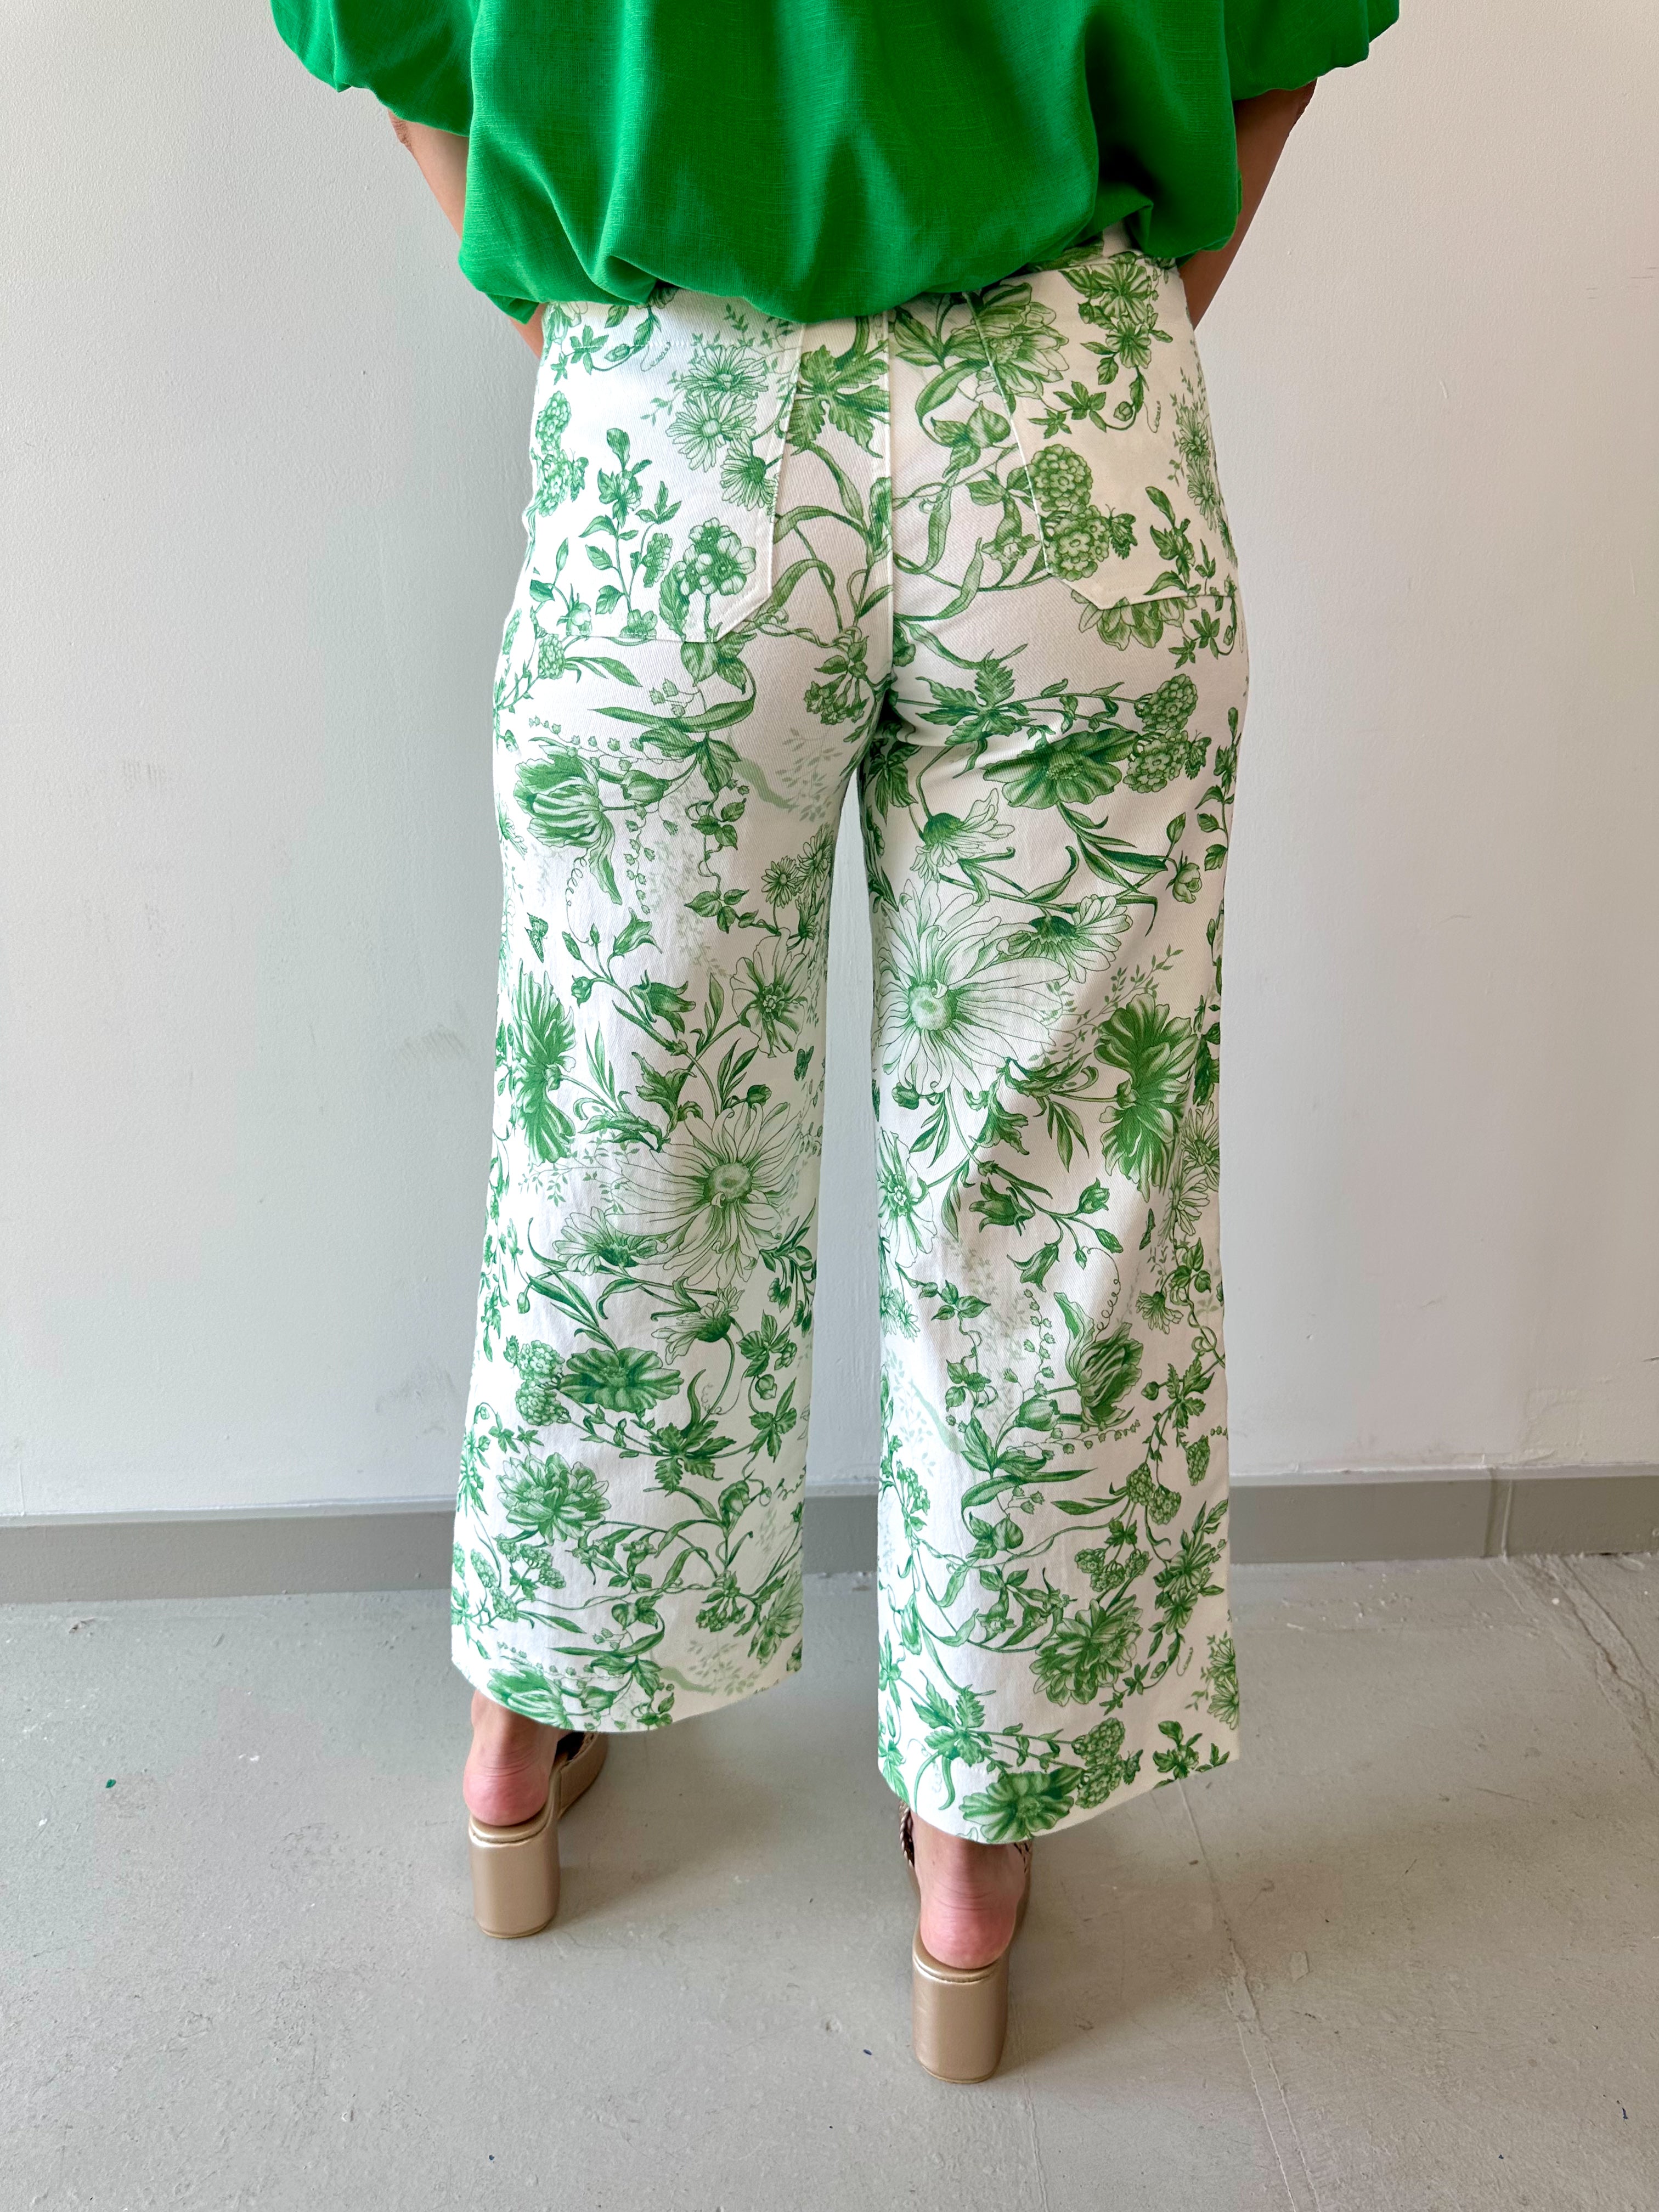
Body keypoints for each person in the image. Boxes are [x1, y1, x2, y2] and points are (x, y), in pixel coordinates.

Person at [273, 0, 1396, 2080]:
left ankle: (525, 1729)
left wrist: (571, 309)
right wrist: (1115, 330)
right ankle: (976, 1832)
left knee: (623, 1119)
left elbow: (374, 22)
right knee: (1057, 1168)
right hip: (1063, 414)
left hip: (669, 411)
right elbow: (1292, 31)